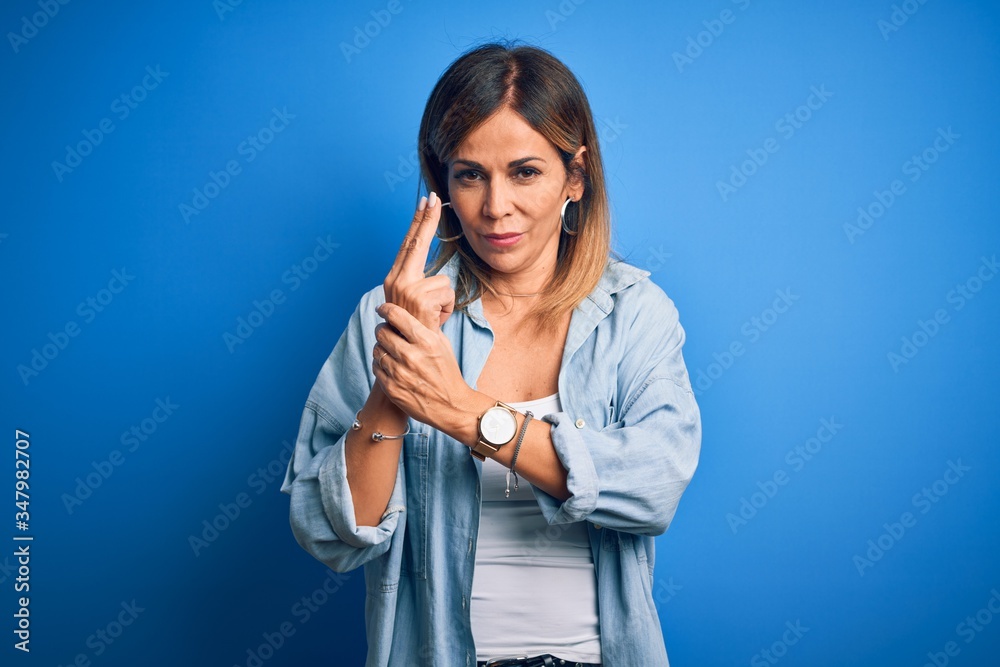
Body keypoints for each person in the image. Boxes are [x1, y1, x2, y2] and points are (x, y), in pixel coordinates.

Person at [281, 41, 701, 667]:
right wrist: (394, 384)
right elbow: (330, 533)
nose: (495, 206)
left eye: (525, 171)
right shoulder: (388, 315)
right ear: (442, 181)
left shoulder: (635, 314)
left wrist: (465, 412)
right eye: (470, 173)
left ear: (576, 176)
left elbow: (652, 486)